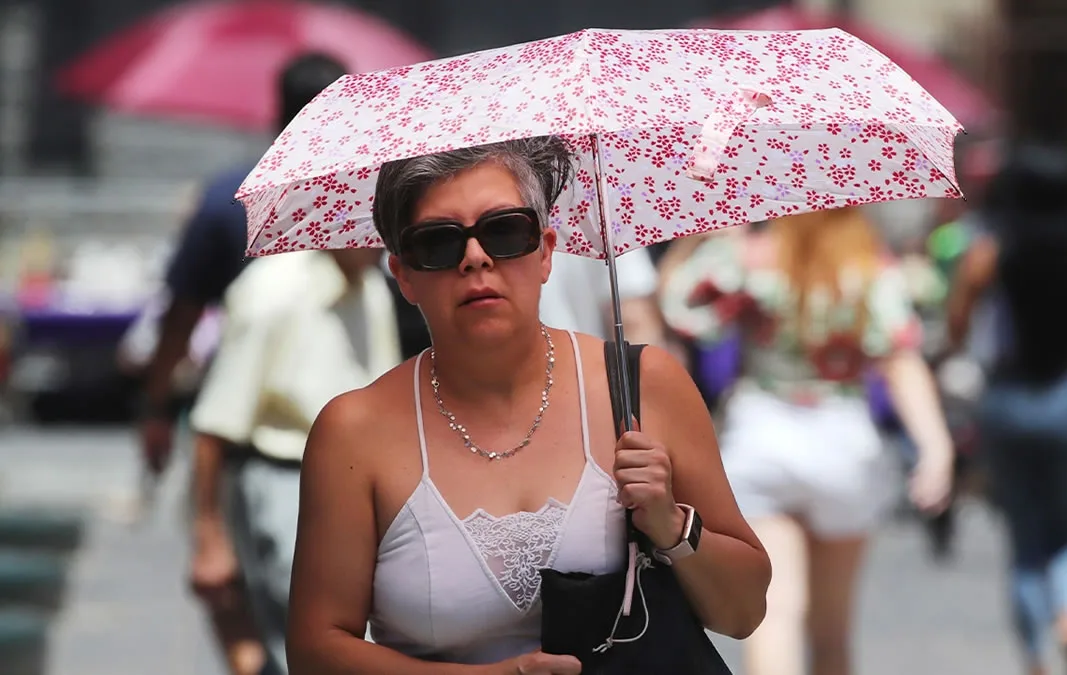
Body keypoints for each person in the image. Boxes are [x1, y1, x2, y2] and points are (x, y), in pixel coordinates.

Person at [284, 136, 770, 674]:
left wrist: (672, 524)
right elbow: (315, 651)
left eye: (504, 230)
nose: (476, 258)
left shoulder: (642, 385)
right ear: (403, 275)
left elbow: (744, 612)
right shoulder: (355, 431)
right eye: (439, 244)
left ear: (545, 251)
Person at [659, 208, 955, 675]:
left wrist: (710, 236)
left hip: (761, 436)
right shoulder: (868, 266)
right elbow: (900, 359)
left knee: (777, 614)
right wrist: (936, 448)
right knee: (832, 632)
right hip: (843, 444)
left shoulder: (751, 258)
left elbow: (679, 305)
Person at [134, 52, 350, 675]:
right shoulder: (363, 213)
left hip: (269, 440)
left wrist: (154, 407)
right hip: (272, 439)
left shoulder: (232, 200)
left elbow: (179, 317)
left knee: (275, 622)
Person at [946, 144, 1067, 675]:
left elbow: (959, 315)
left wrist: (959, 352)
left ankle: (1032, 656)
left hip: (1007, 398)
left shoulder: (996, 251)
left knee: (1025, 538)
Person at [190, 244, 401, 675]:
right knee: (309, 643)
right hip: (284, 481)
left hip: (364, 485)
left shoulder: (374, 286)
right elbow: (216, 422)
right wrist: (209, 536)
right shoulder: (273, 290)